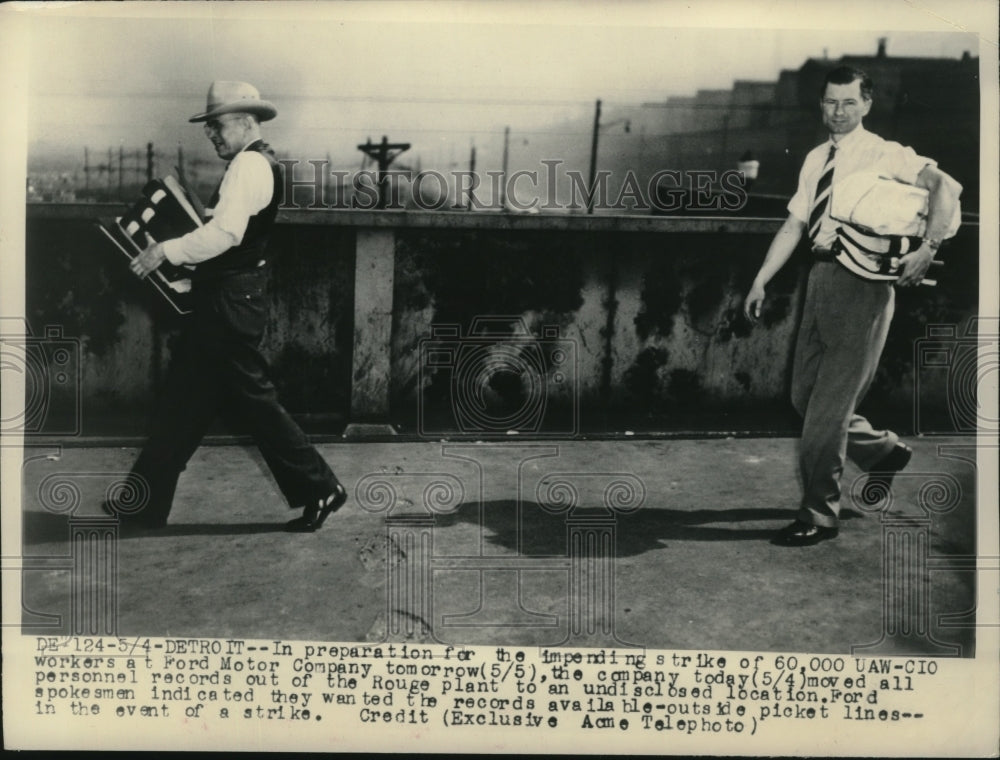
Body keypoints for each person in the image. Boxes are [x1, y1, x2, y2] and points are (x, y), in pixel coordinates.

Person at [107, 81, 346, 533]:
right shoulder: (260, 163)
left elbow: (224, 235)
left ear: (244, 121)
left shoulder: (248, 165)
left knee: (255, 405)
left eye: (217, 126)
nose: (211, 136)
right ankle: (142, 506)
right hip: (232, 300)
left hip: (226, 305)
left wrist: (165, 251)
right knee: (182, 407)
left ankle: (322, 488)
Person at [743, 65, 961, 547]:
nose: (837, 112)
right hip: (820, 279)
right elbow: (794, 226)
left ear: (866, 105)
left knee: (826, 411)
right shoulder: (816, 157)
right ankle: (884, 452)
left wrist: (929, 248)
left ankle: (819, 513)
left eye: (847, 103)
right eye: (829, 103)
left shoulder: (884, 152)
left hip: (863, 286)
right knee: (804, 399)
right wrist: (761, 279)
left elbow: (944, 188)